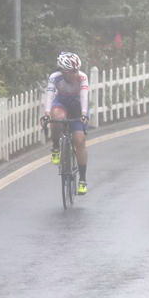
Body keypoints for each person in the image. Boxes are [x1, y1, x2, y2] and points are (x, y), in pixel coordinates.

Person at [42, 52, 90, 195]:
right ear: (63, 71)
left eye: (76, 70)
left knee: (79, 141)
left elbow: (84, 96)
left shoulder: (82, 77)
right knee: (57, 117)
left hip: (77, 106)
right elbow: (50, 95)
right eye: (71, 72)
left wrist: (84, 114)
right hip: (61, 103)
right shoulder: (54, 77)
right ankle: (56, 147)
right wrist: (46, 113)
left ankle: (82, 179)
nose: (75, 74)